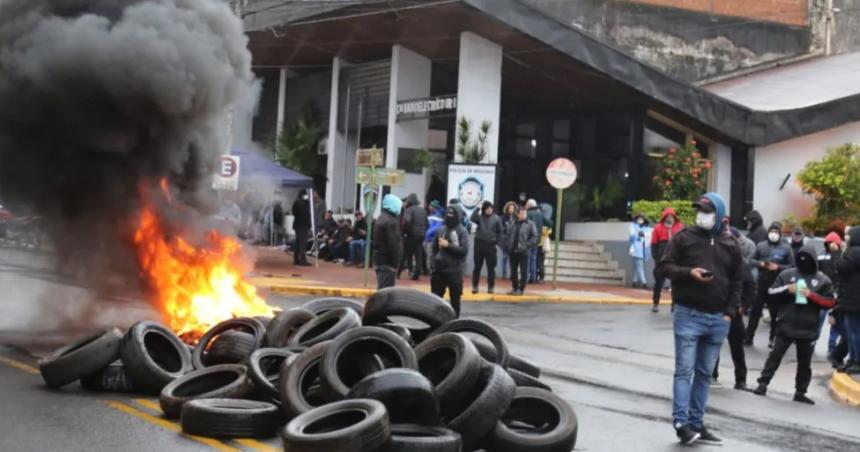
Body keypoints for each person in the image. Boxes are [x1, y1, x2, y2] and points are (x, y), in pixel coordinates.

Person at [657, 192, 741, 446]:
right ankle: (681, 424)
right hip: (688, 315)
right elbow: (663, 267)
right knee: (684, 370)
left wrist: (729, 313)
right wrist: (688, 273)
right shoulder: (684, 237)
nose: (702, 215)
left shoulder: (730, 243)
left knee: (704, 374)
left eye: (707, 211)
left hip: (718, 319)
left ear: (718, 215)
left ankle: (696, 423)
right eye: (700, 210)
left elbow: (738, 281)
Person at [752, 245, 836, 404]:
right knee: (775, 356)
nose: (804, 262)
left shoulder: (822, 280)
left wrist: (811, 295)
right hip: (786, 324)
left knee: (805, 362)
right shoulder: (787, 274)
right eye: (801, 258)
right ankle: (763, 383)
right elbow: (771, 292)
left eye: (807, 259)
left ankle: (800, 391)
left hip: (808, 328)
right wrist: (787, 289)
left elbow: (830, 302)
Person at [713, 225, 753, 390]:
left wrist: (742, 307)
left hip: (734, 312)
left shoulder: (743, 264)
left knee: (737, 348)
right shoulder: (716, 261)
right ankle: (711, 375)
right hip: (717, 310)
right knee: (713, 345)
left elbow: (750, 287)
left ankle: (741, 380)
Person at [745, 222, 795, 348]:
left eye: (776, 232)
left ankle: (773, 337)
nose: (773, 234)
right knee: (755, 312)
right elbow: (751, 260)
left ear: (780, 233)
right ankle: (748, 336)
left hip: (776, 284)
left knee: (775, 314)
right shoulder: (761, 245)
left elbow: (792, 266)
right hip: (761, 283)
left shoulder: (786, 248)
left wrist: (778, 267)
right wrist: (761, 264)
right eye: (772, 231)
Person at [431, 206, 469, 317]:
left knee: (455, 301)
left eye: (452, 214)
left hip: (455, 271)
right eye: (448, 213)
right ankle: (435, 323)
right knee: (436, 300)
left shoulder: (463, 232)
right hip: (439, 271)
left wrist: (448, 245)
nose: (449, 216)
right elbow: (434, 249)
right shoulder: (441, 230)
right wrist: (433, 264)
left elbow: (463, 251)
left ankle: (454, 324)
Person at [834, 226, 860, 374]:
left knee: (854, 332)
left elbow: (840, 266)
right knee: (851, 332)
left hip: (853, 300)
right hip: (851, 299)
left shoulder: (855, 252)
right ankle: (852, 359)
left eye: (848, 236)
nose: (846, 238)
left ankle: (856, 361)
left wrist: (837, 252)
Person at [650, 208, 683, 312]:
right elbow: (653, 244)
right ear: (664, 217)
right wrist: (656, 258)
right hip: (661, 259)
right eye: (667, 217)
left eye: (671, 217)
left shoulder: (679, 227)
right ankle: (655, 303)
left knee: (676, 283)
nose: (669, 219)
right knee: (658, 283)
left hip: (675, 259)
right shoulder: (658, 228)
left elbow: (683, 243)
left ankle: (674, 305)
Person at [471, 201, 503, 294]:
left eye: (491, 208)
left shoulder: (496, 218)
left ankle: (490, 287)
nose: (489, 210)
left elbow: (500, 232)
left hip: (491, 245)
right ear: (484, 209)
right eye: (487, 208)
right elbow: (472, 218)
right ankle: (475, 286)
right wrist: (477, 208)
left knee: (491, 268)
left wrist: (498, 243)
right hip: (479, 245)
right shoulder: (479, 217)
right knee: (477, 267)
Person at [504, 206, 538, 296]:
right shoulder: (513, 223)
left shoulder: (530, 224)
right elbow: (507, 234)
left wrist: (527, 245)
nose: (524, 215)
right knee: (513, 271)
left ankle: (521, 289)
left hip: (524, 252)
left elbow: (535, 237)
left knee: (524, 272)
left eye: (525, 213)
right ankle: (514, 288)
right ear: (518, 214)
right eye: (522, 213)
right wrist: (507, 245)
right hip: (513, 251)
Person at [373, 194, 403, 289]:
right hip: (388, 263)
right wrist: (395, 263)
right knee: (386, 293)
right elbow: (393, 244)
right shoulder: (391, 222)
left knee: (383, 290)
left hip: (380, 260)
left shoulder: (381, 218)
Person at [403, 193, 429, 281]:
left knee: (409, 252)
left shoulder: (409, 210)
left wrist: (406, 232)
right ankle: (418, 271)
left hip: (412, 235)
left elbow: (407, 222)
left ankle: (409, 269)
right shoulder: (423, 210)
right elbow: (427, 224)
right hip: (421, 235)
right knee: (418, 253)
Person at [525, 199, 548, 284]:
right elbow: (549, 222)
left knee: (527, 259)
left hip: (528, 240)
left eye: (527, 204)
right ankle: (533, 278)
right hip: (537, 240)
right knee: (533, 259)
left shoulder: (528, 213)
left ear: (530, 205)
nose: (525, 206)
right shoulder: (540, 214)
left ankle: (526, 278)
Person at [629, 213, 651, 289]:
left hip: (644, 249)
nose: (640, 220)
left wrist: (643, 234)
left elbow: (649, 236)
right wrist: (640, 234)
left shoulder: (647, 228)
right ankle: (644, 283)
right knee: (640, 267)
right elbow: (632, 235)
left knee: (637, 267)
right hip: (637, 249)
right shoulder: (633, 226)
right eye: (638, 218)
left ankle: (634, 282)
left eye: (641, 218)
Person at [290, 190, 312, 266]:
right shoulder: (303, 203)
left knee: (298, 242)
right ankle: (302, 260)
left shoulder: (297, 202)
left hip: (297, 225)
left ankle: (296, 259)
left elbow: (294, 212)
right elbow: (305, 214)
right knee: (303, 243)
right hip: (303, 225)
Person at [424, 201, 445, 276]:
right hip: (427, 239)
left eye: (431, 206)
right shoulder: (431, 215)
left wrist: (426, 233)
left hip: (431, 240)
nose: (429, 207)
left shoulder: (438, 217)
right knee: (428, 255)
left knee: (430, 256)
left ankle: (431, 270)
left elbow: (436, 228)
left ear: (434, 207)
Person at [500, 201, 518, 279]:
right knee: (504, 257)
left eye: (513, 208)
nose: (511, 209)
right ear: (507, 208)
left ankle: (512, 274)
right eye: (510, 208)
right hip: (505, 240)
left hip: (513, 241)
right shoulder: (503, 217)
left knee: (512, 259)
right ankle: (504, 273)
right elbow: (500, 228)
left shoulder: (516, 218)